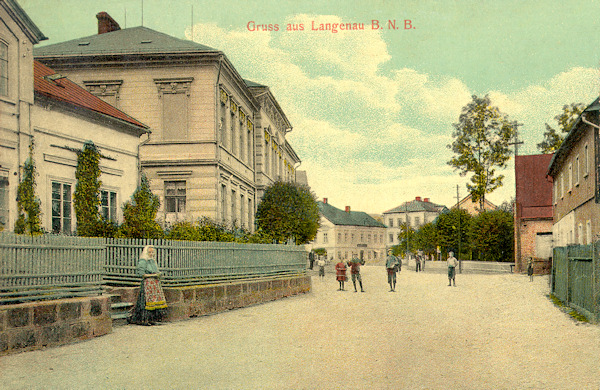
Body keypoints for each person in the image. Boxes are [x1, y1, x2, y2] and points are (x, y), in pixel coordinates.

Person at [128, 245, 168, 325]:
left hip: (154, 284)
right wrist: (152, 276)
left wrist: (158, 274)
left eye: (152, 252)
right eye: (149, 252)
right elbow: (141, 274)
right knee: (146, 302)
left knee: (155, 301)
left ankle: (152, 319)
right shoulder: (143, 261)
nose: (151, 253)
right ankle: (144, 320)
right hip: (147, 284)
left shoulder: (152, 261)